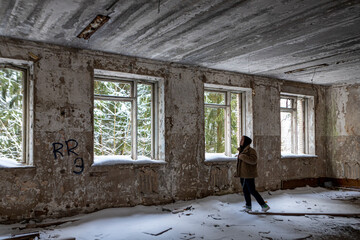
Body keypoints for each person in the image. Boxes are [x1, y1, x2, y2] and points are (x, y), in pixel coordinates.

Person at [235, 135, 270, 212]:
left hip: (249, 174)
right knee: (245, 190)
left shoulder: (251, 151)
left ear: (246, 142)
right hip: (243, 174)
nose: (240, 141)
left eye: (242, 140)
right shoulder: (242, 150)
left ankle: (264, 206)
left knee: (252, 190)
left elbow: (253, 161)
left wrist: (242, 157)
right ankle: (248, 207)